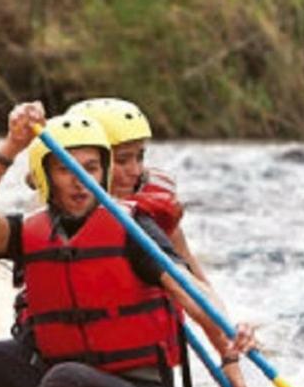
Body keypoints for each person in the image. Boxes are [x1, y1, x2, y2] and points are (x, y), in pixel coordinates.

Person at [0, 103, 254, 387]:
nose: (79, 180)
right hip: (68, 383)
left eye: (90, 169)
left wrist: (229, 343)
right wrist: (11, 147)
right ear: (46, 176)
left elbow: (190, 287)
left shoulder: (135, 231)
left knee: (67, 379)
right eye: (66, 170)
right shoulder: (31, 231)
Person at [68, 97, 209, 283]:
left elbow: (191, 270)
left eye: (140, 157)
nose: (135, 170)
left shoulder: (154, 199)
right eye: (122, 160)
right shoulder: (59, 203)